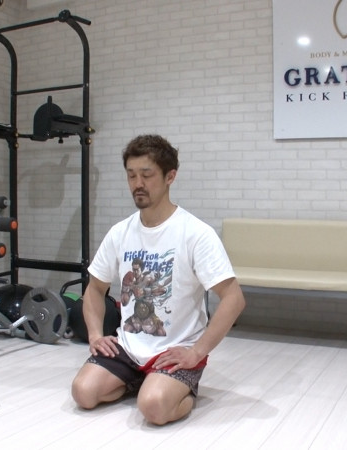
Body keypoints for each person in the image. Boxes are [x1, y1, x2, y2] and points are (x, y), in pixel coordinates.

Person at [71, 134, 246, 425]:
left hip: (177, 349)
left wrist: (196, 352)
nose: (137, 183)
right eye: (131, 175)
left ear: (170, 177)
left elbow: (234, 299)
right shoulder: (120, 232)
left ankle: (174, 388)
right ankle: (142, 380)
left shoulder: (195, 233)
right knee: (83, 393)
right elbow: (95, 288)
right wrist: (94, 336)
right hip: (128, 347)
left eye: (147, 175)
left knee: (153, 408)